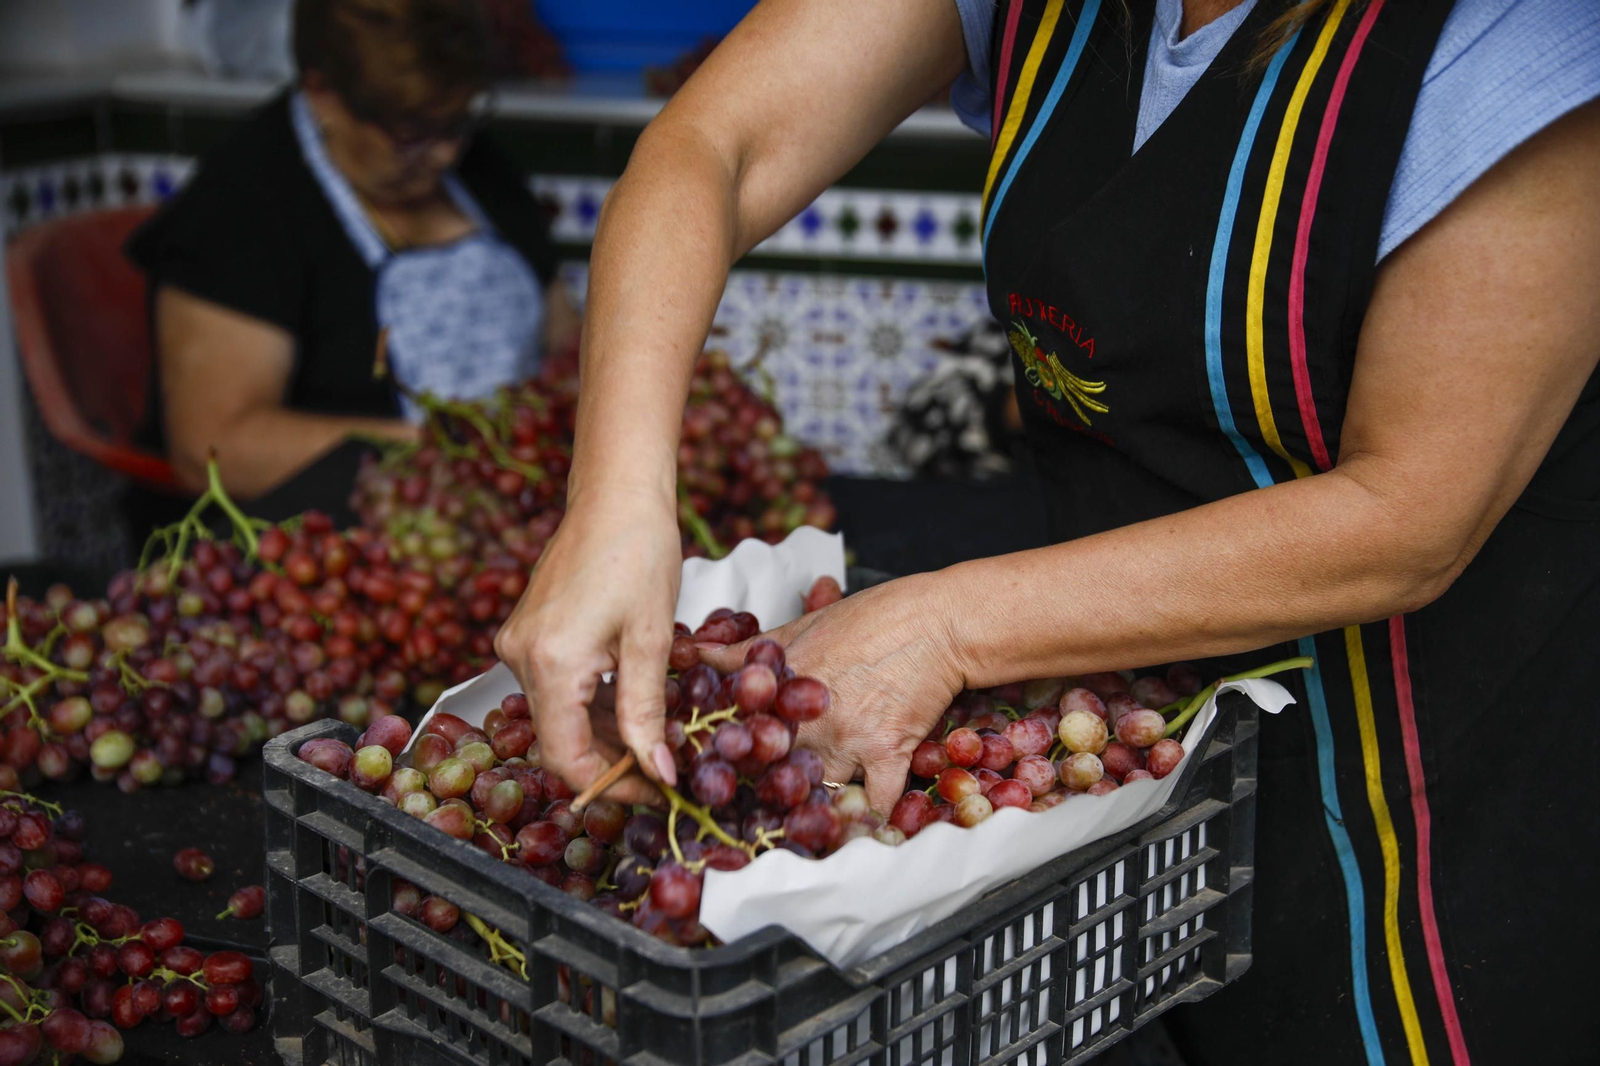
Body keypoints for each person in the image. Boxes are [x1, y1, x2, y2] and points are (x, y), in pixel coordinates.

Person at [493, 0, 1600, 1061]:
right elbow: (713, 145)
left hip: (1420, 792)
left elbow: (1408, 518)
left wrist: (945, 627)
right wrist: (619, 495)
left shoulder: (1519, 38)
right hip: (1112, 766)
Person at [128, 0, 579, 499]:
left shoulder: (481, 169)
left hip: (499, 503)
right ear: (322, 93)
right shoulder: (243, 205)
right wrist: (435, 449)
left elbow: (565, 342)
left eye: (456, 122)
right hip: (334, 528)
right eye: (410, 132)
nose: (446, 153)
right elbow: (212, 449)